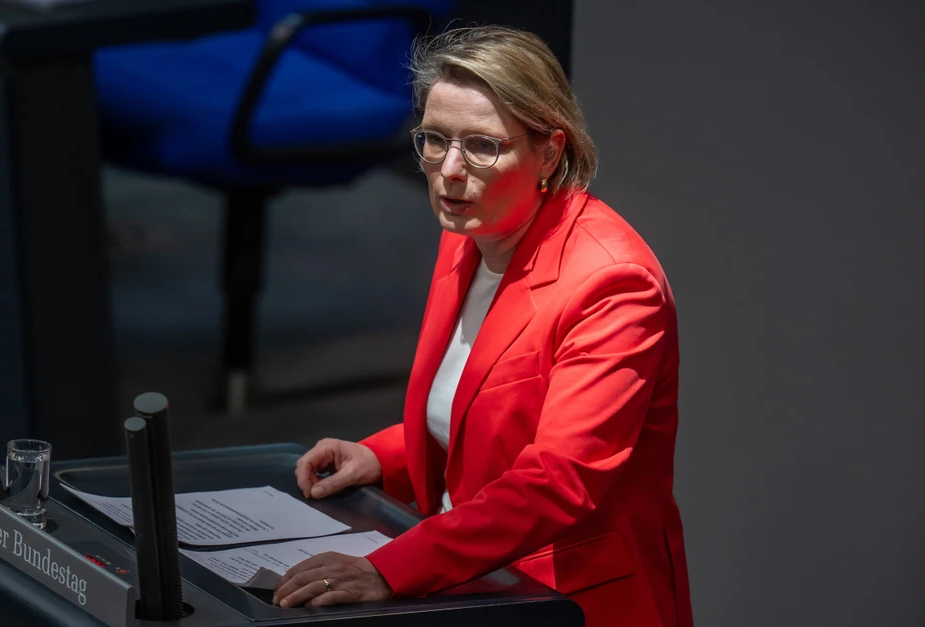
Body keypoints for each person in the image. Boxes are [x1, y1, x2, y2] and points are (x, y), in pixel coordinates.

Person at [270, 25, 694, 627]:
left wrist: (390, 569)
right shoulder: (472, 231)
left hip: (568, 598)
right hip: (471, 575)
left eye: (482, 146)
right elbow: (482, 412)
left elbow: (555, 480)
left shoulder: (614, 285)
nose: (450, 169)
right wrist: (384, 456)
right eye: (435, 139)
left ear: (550, 151)